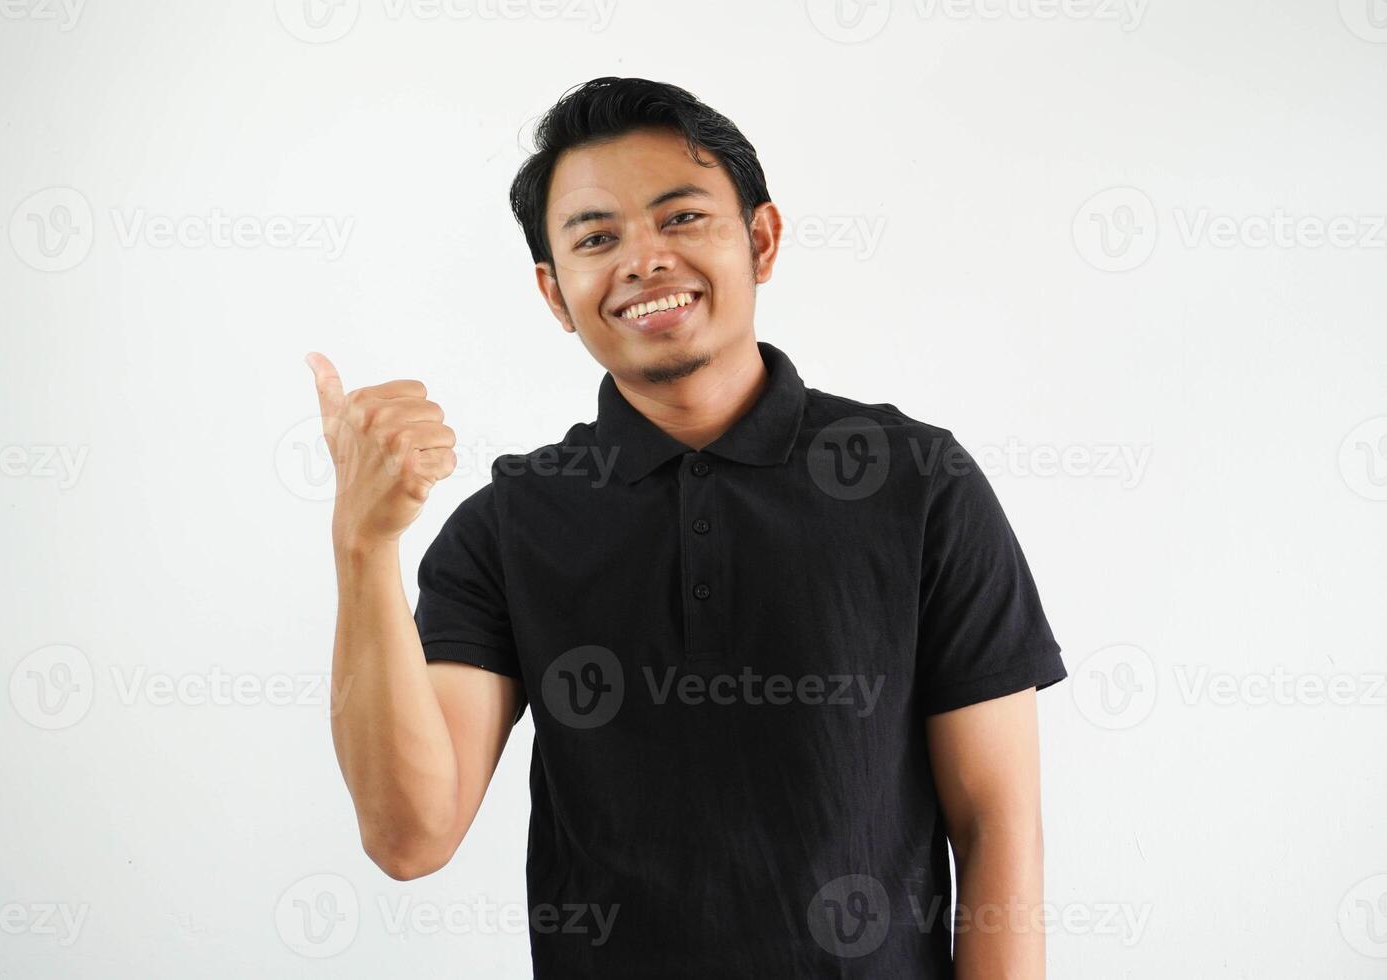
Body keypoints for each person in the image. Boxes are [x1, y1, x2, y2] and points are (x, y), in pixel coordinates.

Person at [306, 76, 1067, 980]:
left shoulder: (918, 482)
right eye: (597, 238)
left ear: (761, 239)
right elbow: (410, 837)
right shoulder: (507, 528)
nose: (643, 260)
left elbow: (999, 830)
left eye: (680, 218)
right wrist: (364, 545)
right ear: (556, 294)